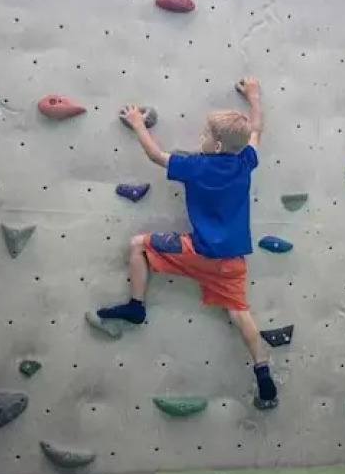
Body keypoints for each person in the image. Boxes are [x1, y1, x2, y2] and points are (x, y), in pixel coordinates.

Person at [95, 76, 278, 411]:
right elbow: (257, 131)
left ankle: (136, 305)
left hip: (198, 252)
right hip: (232, 262)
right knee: (240, 315)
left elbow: (155, 155)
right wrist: (254, 97)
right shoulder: (245, 161)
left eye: (205, 135)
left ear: (218, 145)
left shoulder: (196, 165)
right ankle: (262, 369)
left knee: (139, 244)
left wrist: (138, 124)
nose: (201, 137)